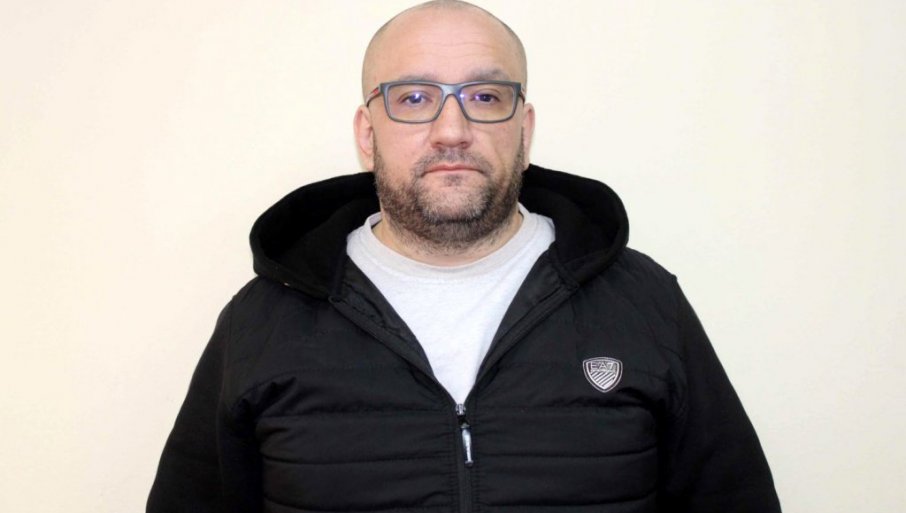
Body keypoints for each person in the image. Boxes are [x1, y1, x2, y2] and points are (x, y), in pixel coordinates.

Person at [147, 1, 781, 512]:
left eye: (484, 96)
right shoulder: (262, 322)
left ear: (524, 129)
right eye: (413, 98)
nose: (452, 130)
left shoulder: (643, 302)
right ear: (367, 133)